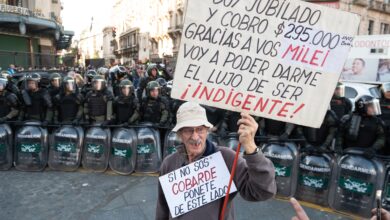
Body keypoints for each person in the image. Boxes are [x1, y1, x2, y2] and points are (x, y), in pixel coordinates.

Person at [155, 102, 276, 219]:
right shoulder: (169, 163)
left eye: (200, 129)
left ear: (207, 130)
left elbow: (262, 191)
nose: (195, 137)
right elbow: (163, 207)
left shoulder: (226, 158)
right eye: (188, 130)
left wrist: (250, 147)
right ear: (180, 134)